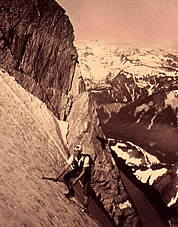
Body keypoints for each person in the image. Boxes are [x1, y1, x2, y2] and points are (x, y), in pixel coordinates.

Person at [54, 145, 92, 213]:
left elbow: (84, 171)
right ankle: (71, 192)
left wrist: (76, 180)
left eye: (76, 151)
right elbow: (66, 167)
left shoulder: (86, 158)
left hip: (86, 174)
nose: (75, 153)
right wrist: (58, 177)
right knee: (66, 177)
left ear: (80, 152)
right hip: (78, 171)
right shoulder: (73, 157)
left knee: (86, 191)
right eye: (74, 151)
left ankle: (86, 208)